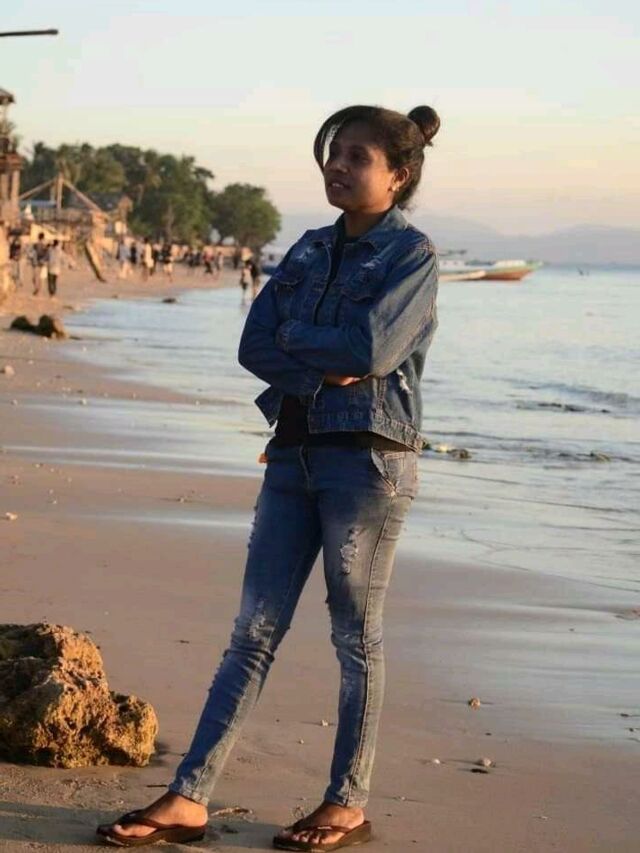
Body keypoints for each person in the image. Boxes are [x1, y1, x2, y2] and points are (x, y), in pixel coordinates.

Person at [96, 103, 441, 851]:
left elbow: (372, 351)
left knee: (355, 637)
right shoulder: (309, 248)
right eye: (333, 153)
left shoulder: (411, 256)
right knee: (251, 632)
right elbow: (255, 344)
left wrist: (304, 340)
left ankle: (346, 803)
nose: (338, 166)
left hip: (369, 462)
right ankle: (189, 797)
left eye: (357, 157)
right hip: (292, 453)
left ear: (399, 174)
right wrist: (320, 362)